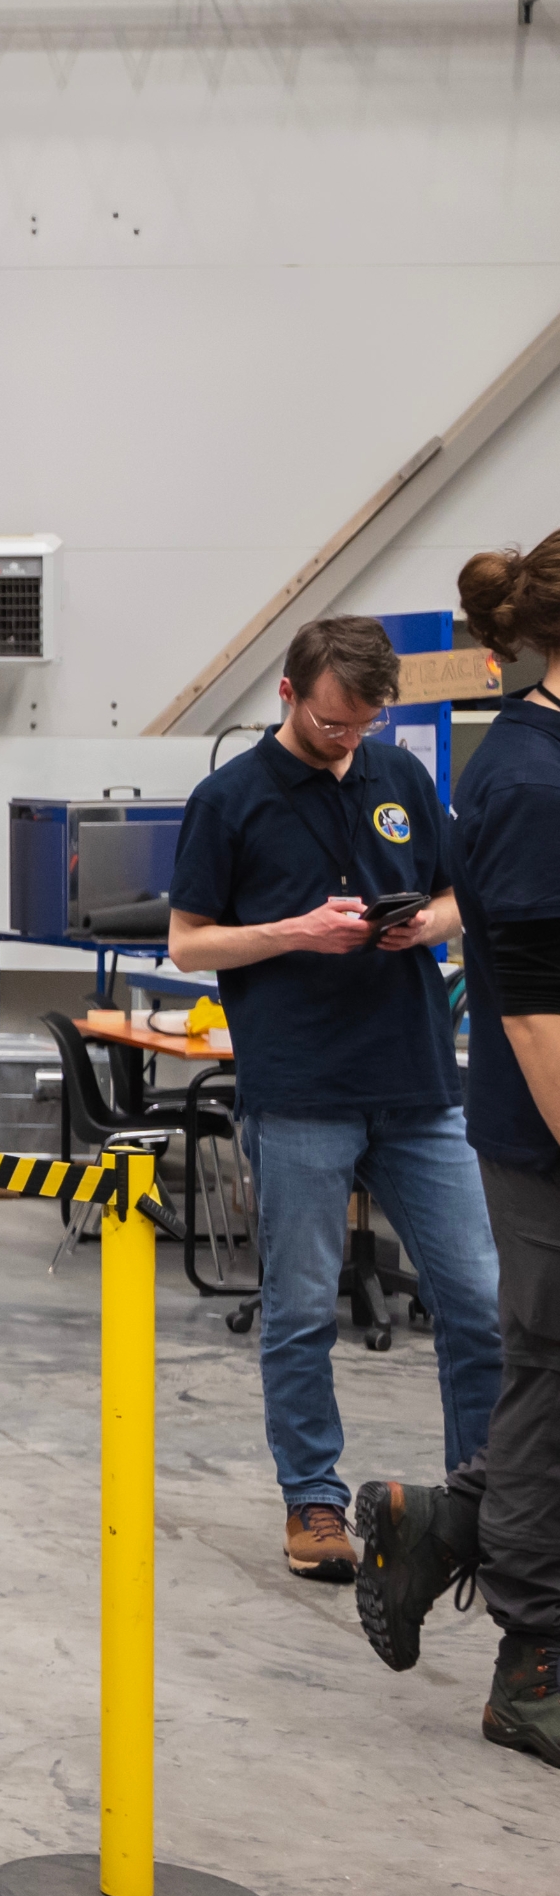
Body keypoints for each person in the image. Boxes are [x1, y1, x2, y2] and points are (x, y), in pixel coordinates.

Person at [169, 613, 502, 1584]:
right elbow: (189, 941)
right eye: (328, 724)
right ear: (288, 693)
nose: (345, 741)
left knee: (479, 1301)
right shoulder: (229, 799)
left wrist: (423, 927)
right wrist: (296, 931)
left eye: (363, 723)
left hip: (416, 1082)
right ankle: (313, 1498)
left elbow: (453, 898)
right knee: (305, 1304)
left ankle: (480, 1501)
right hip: (302, 1085)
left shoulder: (401, 779)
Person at [348, 544, 560, 1769]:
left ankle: (433, 1522)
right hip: (545, 1131)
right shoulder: (528, 778)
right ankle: (535, 1665)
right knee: (553, 1375)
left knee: (549, 1375)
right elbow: (530, 1001)